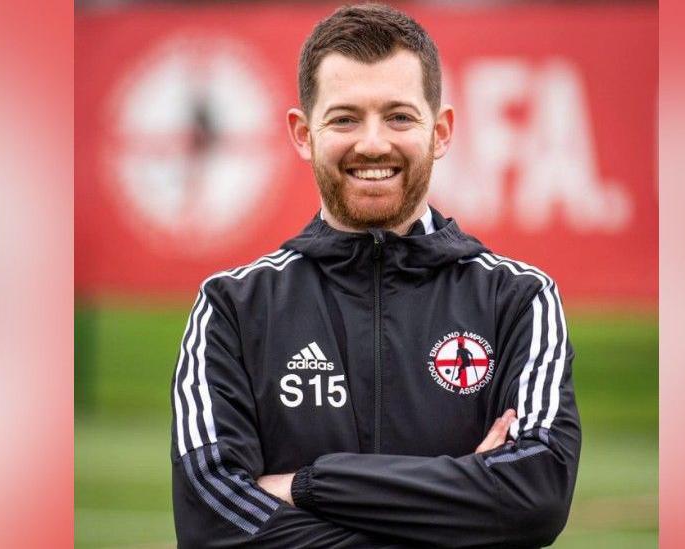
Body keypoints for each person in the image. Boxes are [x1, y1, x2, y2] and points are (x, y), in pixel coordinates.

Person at [171, 4, 580, 547]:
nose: (372, 143)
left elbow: (537, 497)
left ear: (441, 131)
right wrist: (460, 513)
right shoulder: (233, 307)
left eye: (399, 116)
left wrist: (307, 486)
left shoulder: (518, 299)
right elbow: (212, 523)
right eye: (344, 118)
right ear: (302, 134)